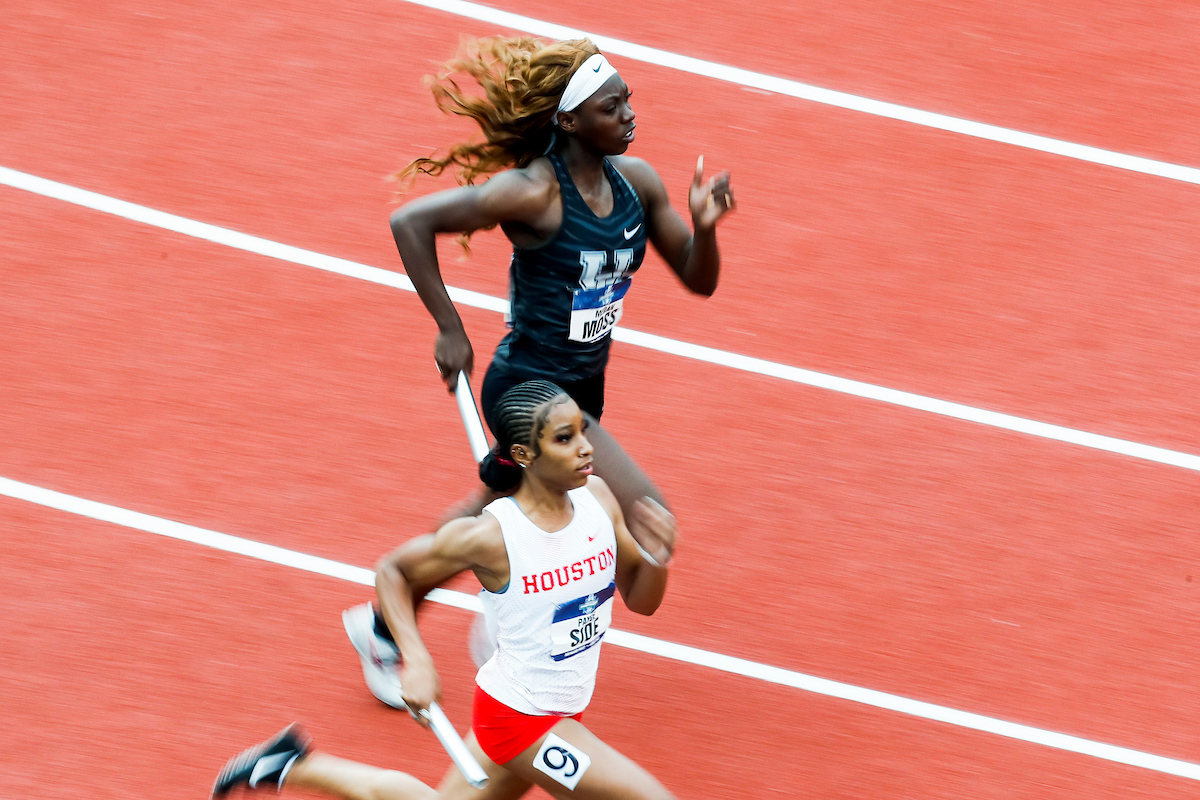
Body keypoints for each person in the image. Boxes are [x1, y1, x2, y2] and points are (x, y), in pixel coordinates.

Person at [343, 35, 733, 708]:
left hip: (581, 390)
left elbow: (699, 281)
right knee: (644, 516)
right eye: (613, 107)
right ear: (571, 119)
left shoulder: (637, 184)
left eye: (629, 101)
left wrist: (707, 229)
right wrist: (449, 326)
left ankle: (382, 623)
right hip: (527, 387)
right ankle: (510, 629)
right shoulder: (532, 192)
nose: (630, 115)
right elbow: (411, 222)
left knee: (494, 510)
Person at [213, 381, 679, 800]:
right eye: (564, 438)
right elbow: (393, 571)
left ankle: (290, 763)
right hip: (521, 722)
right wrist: (415, 659)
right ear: (523, 455)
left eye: (582, 431)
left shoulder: (597, 500)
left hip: (563, 706)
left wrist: (657, 559)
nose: (584, 448)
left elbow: (642, 599)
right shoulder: (491, 536)